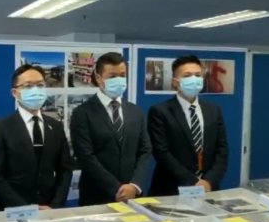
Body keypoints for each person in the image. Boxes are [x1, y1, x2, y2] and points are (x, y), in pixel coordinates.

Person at [0, 65, 73, 212]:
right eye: (28, 86)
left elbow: (65, 170)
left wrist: (55, 205)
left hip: (48, 209)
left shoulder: (55, 126)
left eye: (40, 85)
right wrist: (26, 209)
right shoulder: (2, 127)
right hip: (11, 210)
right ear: (15, 93)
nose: (35, 90)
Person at [69, 52, 151, 205]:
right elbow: (86, 156)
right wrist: (116, 189)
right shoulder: (82, 113)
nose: (119, 80)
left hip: (134, 195)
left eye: (122, 75)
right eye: (112, 76)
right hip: (97, 196)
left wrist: (135, 185)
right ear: (99, 78)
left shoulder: (135, 111)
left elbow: (145, 151)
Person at [147, 55, 229, 196]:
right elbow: (162, 152)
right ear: (175, 82)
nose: (193, 79)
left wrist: (209, 181)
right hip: (171, 188)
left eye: (197, 75)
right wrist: (193, 182)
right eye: (187, 75)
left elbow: (222, 149)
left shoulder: (213, 110)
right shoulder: (160, 111)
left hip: (208, 188)